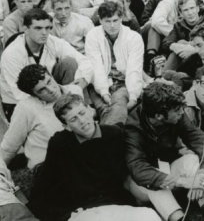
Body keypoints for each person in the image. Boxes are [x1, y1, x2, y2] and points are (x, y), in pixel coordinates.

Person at [28, 93, 159, 221]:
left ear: (90, 111)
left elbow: (131, 169)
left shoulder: (113, 134)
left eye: (82, 113)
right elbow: (46, 185)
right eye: (73, 119)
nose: (82, 121)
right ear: (66, 126)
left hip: (116, 205)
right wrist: (62, 214)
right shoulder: (60, 143)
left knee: (149, 215)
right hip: (83, 210)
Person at [124, 82, 204, 221]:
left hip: (168, 170)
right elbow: (138, 170)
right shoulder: (132, 127)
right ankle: (180, 218)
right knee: (154, 183)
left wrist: (201, 175)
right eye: (178, 110)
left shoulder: (174, 112)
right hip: (140, 184)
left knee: (193, 160)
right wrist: (184, 182)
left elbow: (200, 141)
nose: (182, 112)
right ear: (159, 115)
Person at [0, 8, 93, 117]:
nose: (44, 33)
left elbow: (84, 61)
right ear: (25, 29)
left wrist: (81, 84)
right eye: (38, 28)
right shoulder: (12, 54)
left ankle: (84, 109)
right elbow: (20, 94)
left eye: (48, 28)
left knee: (70, 63)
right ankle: (67, 111)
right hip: (19, 101)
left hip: (48, 89)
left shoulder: (52, 41)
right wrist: (57, 101)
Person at [0, 64, 83, 172]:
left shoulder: (75, 92)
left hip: (79, 155)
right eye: (42, 90)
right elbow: (9, 146)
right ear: (33, 95)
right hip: (48, 165)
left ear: (51, 75)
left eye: (49, 81)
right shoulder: (26, 108)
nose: (51, 90)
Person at [85, 1, 143, 125]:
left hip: (124, 83)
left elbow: (134, 69)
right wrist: (104, 92)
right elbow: (96, 67)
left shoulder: (134, 38)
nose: (112, 25)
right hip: (98, 84)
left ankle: (105, 140)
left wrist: (133, 96)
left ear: (121, 18)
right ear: (100, 20)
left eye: (115, 20)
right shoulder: (92, 36)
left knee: (119, 103)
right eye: (107, 21)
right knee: (105, 109)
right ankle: (109, 138)